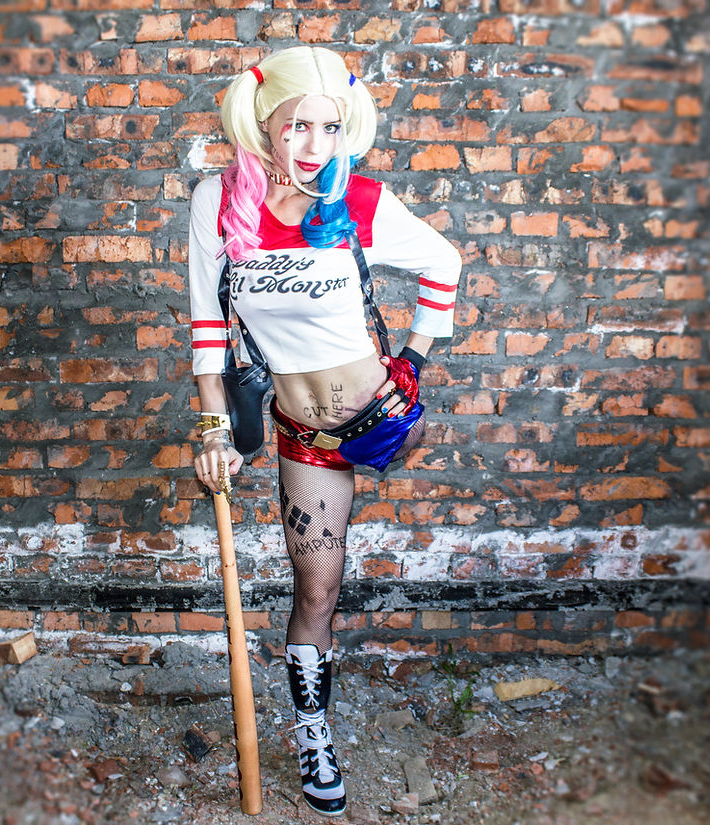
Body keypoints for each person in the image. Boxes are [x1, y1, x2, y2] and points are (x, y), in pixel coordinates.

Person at [186, 46, 461, 817]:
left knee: (346, 567)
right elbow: (208, 331)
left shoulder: (358, 200)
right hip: (307, 438)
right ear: (263, 125)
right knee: (319, 587)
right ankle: (314, 731)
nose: (314, 144)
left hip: (382, 419)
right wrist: (213, 429)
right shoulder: (218, 204)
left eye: (329, 127)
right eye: (297, 125)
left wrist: (412, 361)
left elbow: (444, 263)